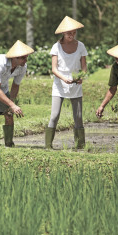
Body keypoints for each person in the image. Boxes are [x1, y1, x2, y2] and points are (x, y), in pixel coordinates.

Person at [45, 16, 88, 149]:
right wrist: (63, 78)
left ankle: (80, 146)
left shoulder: (80, 46)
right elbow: (54, 69)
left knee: (78, 117)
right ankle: (48, 146)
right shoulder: (56, 47)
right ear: (63, 33)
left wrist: (81, 77)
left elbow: (84, 67)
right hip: (59, 84)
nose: (72, 35)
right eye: (69, 32)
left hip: (75, 84)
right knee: (55, 115)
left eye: (74, 32)